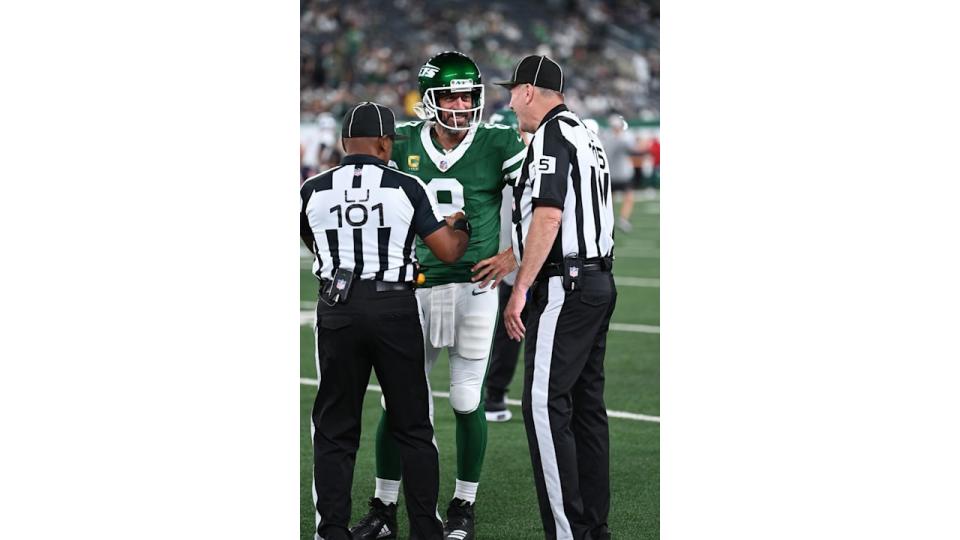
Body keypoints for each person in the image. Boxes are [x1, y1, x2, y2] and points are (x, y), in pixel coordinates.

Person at [350, 51, 527, 540]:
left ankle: (463, 503)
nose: (460, 103)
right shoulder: (401, 140)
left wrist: (513, 253)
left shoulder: (498, 141)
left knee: (468, 397)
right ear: (429, 99)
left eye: (468, 95)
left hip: (475, 286)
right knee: (396, 402)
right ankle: (385, 506)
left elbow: (539, 198)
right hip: (413, 289)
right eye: (450, 94)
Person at [300, 101, 472, 540]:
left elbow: (313, 243)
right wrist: (461, 224)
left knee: (335, 429)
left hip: (338, 308)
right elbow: (448, 251)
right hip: (395, 307)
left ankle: (333, 530)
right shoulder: (406, 185)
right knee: (412, 425)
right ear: (384, 142)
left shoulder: (312, 189)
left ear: (343, 143)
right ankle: (424, 530)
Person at [495, 55, 617, 540]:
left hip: (565, 286)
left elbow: (549, 216)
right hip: (598, 280)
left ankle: (569, 533)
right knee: (587, 409)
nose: (508, 103)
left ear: (528, 91)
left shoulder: (551, 135)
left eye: (512, 92)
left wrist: (519, 289)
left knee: (545, 406)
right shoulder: (587, 132)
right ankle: (594, 527)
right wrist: (514, 256)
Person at [482, 108, 530, 423]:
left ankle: (497, 393)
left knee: (513, 329)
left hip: (521, 256)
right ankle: (494, 394)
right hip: (496, 259)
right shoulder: (484, 170)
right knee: (505, 330)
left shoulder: (531, 164)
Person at [599, 114, 636, 232]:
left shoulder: (606, 136)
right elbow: (632, 147)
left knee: (611, 199)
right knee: (627, 197)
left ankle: (608, 220)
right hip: (621, 174)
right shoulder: (622, 137)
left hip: (610, 173)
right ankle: (623, 220)